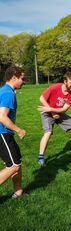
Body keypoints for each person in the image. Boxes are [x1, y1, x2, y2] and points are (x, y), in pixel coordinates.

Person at [37, 72, 71, 166]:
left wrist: (54, 111)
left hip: (59, 113)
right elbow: (41, 98)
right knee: (48, 132)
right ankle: (41, 157)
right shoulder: (55, 87)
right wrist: (51, 111)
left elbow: (64, 109)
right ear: (65, 82)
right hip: (47, 113)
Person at [0, 66, 26, 198]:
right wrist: (19, 129)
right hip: (2, 133)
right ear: (14, 77)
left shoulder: (5, 91)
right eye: (22, 78)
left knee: (17, 162)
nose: (24, 81)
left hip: (6, 133)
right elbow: (2, 117)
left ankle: (18, 192)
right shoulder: (8, 93)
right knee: (14, 165)